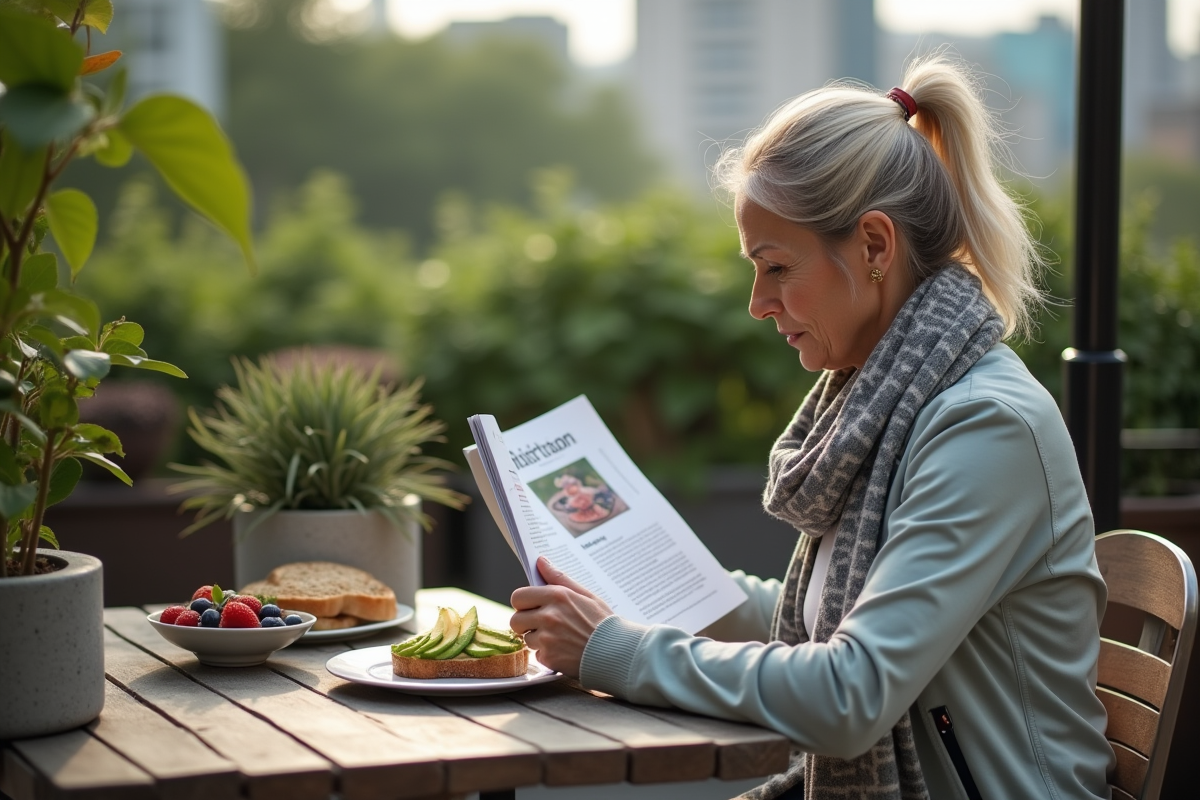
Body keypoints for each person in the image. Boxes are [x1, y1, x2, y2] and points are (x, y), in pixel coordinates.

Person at [510, 55, 1114, 800]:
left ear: (874, 246)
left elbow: (850, 692)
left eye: (777, 267)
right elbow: (816, 621)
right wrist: (644, 586)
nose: (757, 303)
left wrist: (618, 650)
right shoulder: (885, 398)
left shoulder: (984, 426)